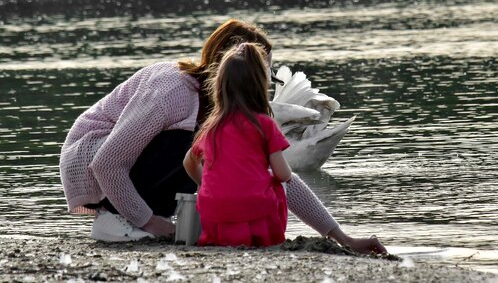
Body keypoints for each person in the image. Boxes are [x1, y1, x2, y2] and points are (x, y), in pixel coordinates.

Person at [59, 18, 386, 253]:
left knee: (215, 152)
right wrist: (152, 223)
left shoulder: (231, 112)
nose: (267, 85)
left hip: (133, 168)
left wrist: (343, 237)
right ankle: (116, 218)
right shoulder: (172, 90)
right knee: (195, 144)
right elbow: (106, 164)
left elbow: (278, 178)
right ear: (230, 70)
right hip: (93, 160)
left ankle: (141, 215)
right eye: (263, 74)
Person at [183, 42, 292, 247]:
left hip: (214, 214)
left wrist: (204, 183)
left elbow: (188, 162)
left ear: (220, 86)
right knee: (278, 185)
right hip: (255, 210)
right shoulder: (264, 125)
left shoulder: (210, 128)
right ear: (260, 84)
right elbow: (283, 174)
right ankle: (270, 236)